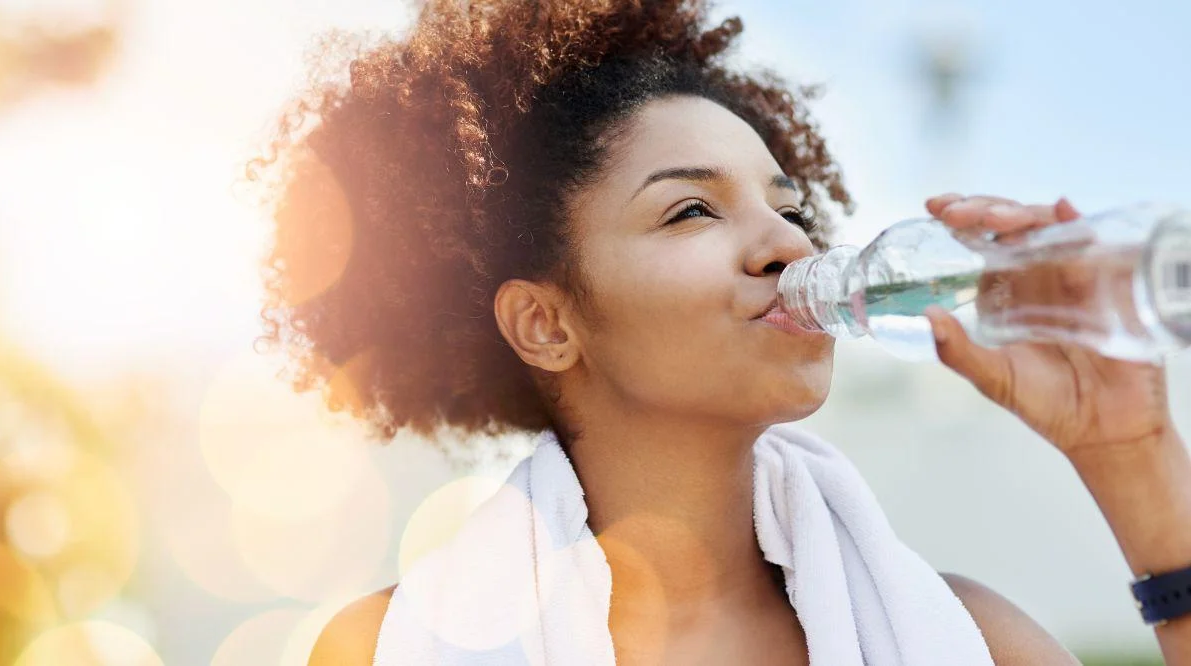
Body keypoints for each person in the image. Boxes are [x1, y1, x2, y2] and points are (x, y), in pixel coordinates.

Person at [249, 1, 1190, 663]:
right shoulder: (390, 649)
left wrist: (1132, 454)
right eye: (693, 210)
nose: (786, 242)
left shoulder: (969, 639)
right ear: (545, 323)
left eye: (788, 207)